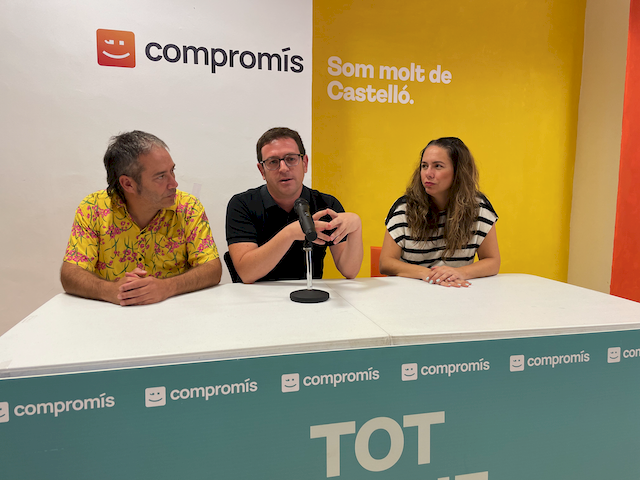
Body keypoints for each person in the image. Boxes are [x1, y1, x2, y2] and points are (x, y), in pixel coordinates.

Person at [61, 130, 222, 305]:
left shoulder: (188, 207)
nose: (174, 183)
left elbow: (212, 268)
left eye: (172, 171)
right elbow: (70, 273)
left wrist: (167, 287)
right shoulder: (93, 208)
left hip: (175, 311)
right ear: (128, 184)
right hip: (111, 314)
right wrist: (111, 290)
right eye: (161, 176)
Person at [226, 127, 363, 283]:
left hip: (310, 294)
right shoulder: (242, 204)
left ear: (305, 163)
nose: (283, 168)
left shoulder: (326, 204)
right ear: (262, 170)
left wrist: (356, 227)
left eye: (291, 159)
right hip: (256, 296)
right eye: (273, 162)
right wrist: (290, 233)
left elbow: (350, 271)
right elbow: (247, 273)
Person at [379, 137, 500, 287]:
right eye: (424, 166)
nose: (428, 173)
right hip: (411, 293)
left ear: (458, 172)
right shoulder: (404, 208)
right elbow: (386, 263)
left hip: (457, 293)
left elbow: (492, 261)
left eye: (437, 166)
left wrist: (460, 272)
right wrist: (429, 274)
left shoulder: (479, 208)